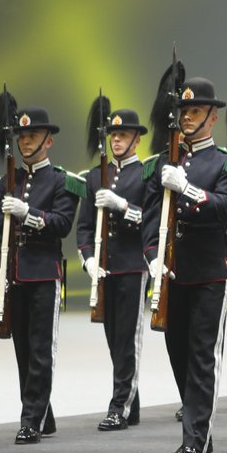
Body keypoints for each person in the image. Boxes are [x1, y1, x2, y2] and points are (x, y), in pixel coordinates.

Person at [142, 76, 227, 453]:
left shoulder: (226, 164)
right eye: (184, 112)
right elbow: (150, 218)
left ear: (212, 117)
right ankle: (200, 426)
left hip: (207, 273)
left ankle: (193, 440)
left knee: (202, 355)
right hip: (171, 273)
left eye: (196, 112)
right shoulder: (164, 163)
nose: (188, 118)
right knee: (178, 355)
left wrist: (189, 190)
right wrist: (152, 256)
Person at [0, 106, 78, 445]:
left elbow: (62, 224)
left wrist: (28, 214)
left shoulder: (61, 181)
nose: (26, 142)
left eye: (33, 136)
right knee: (22, 349)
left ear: (48, 141)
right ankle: (44, 413)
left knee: (41, 349)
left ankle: (31, 419)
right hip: (14, 275)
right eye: (22, 136)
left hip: (43, 272)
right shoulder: (5, 184)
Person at [76, 107, 150, 432]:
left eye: (123, 135)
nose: (116, 140)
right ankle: (130, 401)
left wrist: (122, 206)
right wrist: (89, 259)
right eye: (113, 135)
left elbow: (152, 219)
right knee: (113, 338)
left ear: (136, 140)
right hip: (105, 268)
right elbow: (83, 227)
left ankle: (119, 405)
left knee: (128, 339)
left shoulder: (146, 174)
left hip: (134, 266)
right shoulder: (95, 176)